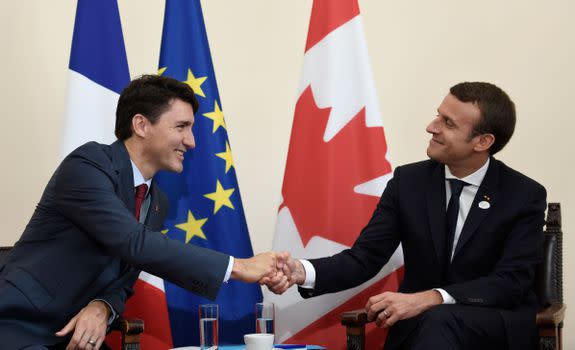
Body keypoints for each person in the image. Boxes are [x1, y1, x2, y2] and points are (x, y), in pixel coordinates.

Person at [0, 75, 284, 350]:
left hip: (73, 337)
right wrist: (240, 267)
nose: (191, 141)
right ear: (141, 125)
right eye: (181, 127)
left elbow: (122, 281)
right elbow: (133, 242)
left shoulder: (156, 201)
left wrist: (104, 307)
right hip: (19, 325)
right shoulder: (87, 165)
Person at [267, 82, 546, 350]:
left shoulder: (522, 195)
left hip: (491, 326)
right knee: (434, 323)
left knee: (439, 320)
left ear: (483, 141)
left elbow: (511, 282)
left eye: (448, 123)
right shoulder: (408, 182)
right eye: (439, 115)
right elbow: (365, 258)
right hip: (424, 331)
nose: (431, 127)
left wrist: (430, 298)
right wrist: (301, 271)